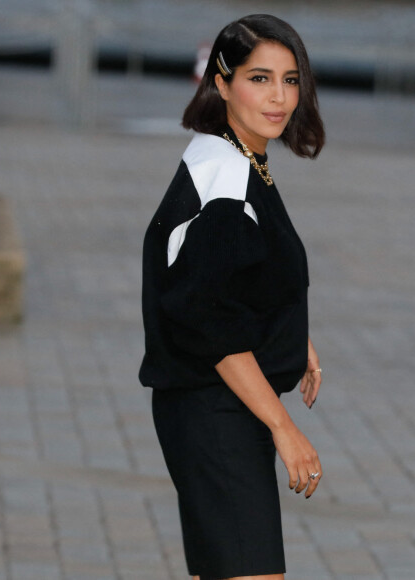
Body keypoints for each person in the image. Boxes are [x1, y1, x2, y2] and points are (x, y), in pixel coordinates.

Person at [139, 13, 325, 580]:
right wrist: (284, 428)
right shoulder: (225, 181)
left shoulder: (233, 156)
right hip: (214, 411)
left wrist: (296, 337)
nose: (279, 97)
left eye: (290, 80)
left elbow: (240, 276)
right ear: (221, 83)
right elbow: (209, 321)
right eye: (259, 78)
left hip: (213, 406)